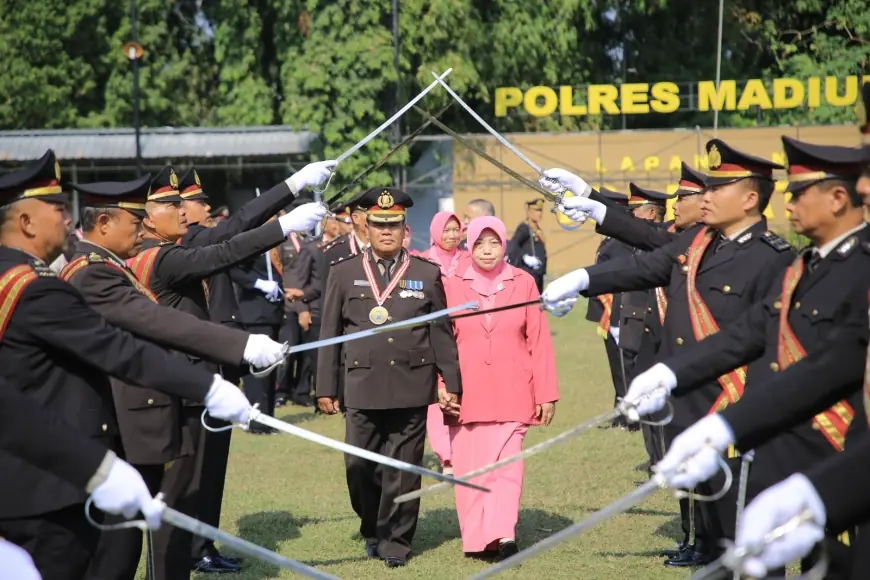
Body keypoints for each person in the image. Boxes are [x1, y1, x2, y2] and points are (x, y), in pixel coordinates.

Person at [539, 139, 797, 564]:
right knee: (710, 525)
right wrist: (583, 277)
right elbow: (644, 262)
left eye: (716, 189)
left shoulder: (773, 259)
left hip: (732, 406)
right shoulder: (699, 243)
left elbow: (768, 344)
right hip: (690, 400)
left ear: (751, 199)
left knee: (741, 533)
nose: (704, 196)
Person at [0, 150, 251, 580]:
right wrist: (208, 386)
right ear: (25, 223)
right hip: (43, 486)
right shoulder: (35, 289)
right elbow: (118, 348)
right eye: (58, 210)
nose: (67, 219)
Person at [625, 137, 867, 577]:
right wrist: (670, 376)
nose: (788, 205)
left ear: (837, 198)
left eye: (798, 193)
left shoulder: (852, 268)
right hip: (784, 437)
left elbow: (833, 364)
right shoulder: (806, 265)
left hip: (843, 448)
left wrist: (725, 423)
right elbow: (751, 334)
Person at [59, 174, 286, 579]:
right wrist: (238, 350)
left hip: (143, 408)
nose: (140, 228)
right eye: (135, 219)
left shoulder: (112, 265)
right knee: (139, 535)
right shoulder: (95, 271)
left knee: (151, 528)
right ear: (105, 223)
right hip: (131, 414)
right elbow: (157, 323)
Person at [130, 164, 330, 574]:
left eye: (187, 204)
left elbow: (230, 235)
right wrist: (287, 206)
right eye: (178, 205)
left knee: (205, 472)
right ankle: (190, 550)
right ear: (148, 216)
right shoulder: (164, 255)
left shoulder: (177, 246)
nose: (189, 212)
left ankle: (196, 547)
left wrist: (290, 194)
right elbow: (231, 239)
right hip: (184, 384)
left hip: (204, 373)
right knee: (185, 483)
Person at [315, 187, 461, 568]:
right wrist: (325, 387)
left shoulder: (426, 274)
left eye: (393, 225)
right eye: (379, 224)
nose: (385, 231)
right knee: (359, 468)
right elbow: (329, 334)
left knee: (403, 469)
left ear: (404, 228)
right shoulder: (343, 273)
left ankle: (396, 541)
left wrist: (452, 382)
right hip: (360, 387)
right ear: (366, 226)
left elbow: (441, 332)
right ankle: (372, 526)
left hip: (412, 384)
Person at [444, 216, 558, 560]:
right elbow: (441, 342)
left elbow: (538, 339)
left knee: (508, 468)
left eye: (494, 243)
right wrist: (441, 385)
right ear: (469, 245)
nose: (487, 250)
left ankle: (504, 534)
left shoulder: (523, 282)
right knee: (470, 469)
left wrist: (546, 392)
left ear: (504, 245)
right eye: (480, 243)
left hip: (514, 390)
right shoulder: (451, 284)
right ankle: (479, 539)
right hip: (466, 393)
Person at [282, 203, 351, 407]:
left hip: (339, 309)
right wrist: (303, 309)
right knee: (317, 358)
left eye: (341, 221)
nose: (338, 226)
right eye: (335, 221)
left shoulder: (345, 246)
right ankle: (318, 396)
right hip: (317, 310)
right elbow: (300, 283)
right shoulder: (311, 248)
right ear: (324, 223)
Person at [582, 189, 635, 429]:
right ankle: (620, 410)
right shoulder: (610, 240)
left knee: (625, 365)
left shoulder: (621, 242)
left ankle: (629, 415)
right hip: (609, 311)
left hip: (619, 311)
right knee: (617, 366)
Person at [423, 210, 471, 474]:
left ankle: (463, 449)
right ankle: (446, 457)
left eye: (456, 230)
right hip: (432, 336)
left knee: (462, 390)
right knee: (436, 395)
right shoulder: (422, 261)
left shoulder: (469, 259)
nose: (452, 235)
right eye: (447, 230)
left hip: (464, 334)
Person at [507, 199, 547, 292]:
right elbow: (513, 245)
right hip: (528, 272)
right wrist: (523, 258)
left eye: (540, 210)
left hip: (538, 273)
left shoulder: (537, 229)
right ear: (528, 212)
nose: (539, 213)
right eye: (536, 210)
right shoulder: (524, 228)